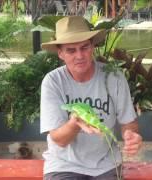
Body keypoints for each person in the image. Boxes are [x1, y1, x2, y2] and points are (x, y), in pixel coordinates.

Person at [40, 16, 142, 180]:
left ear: (92, 46)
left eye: (84, 47)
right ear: (60, 53)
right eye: (71, 50)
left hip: (107, 163)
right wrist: (75, 124)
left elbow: (128, 122)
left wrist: (131, 135)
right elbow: (58, 139)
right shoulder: (52, 82)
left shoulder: (114, 77)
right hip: (64, 165)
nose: (80, 55)